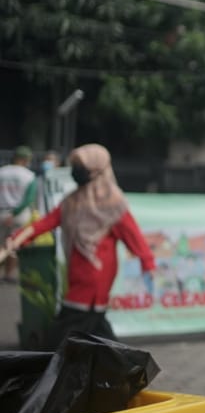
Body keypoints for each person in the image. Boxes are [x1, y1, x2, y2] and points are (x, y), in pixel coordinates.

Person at [4, 144, 156, 343]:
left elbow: (133, 237)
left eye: (82, 166)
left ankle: (60, 369)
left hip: (96, 277)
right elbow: (45, 223)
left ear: (98, 170)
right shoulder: (72, 201)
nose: (77, 171)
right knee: (94, 332)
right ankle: (119, 369)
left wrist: (148, 264)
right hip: (78, 274)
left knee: (66, 335)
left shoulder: (114, 205)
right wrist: (18, 238)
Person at [0, 146, 35, 283]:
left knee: (1, 244)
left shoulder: (2, 172)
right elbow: (29, 199)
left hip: (1, 211)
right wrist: (14, 213)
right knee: (13, 245)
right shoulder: (29, 175)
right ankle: (8, 275)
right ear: (24, 159)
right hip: (18, 215)